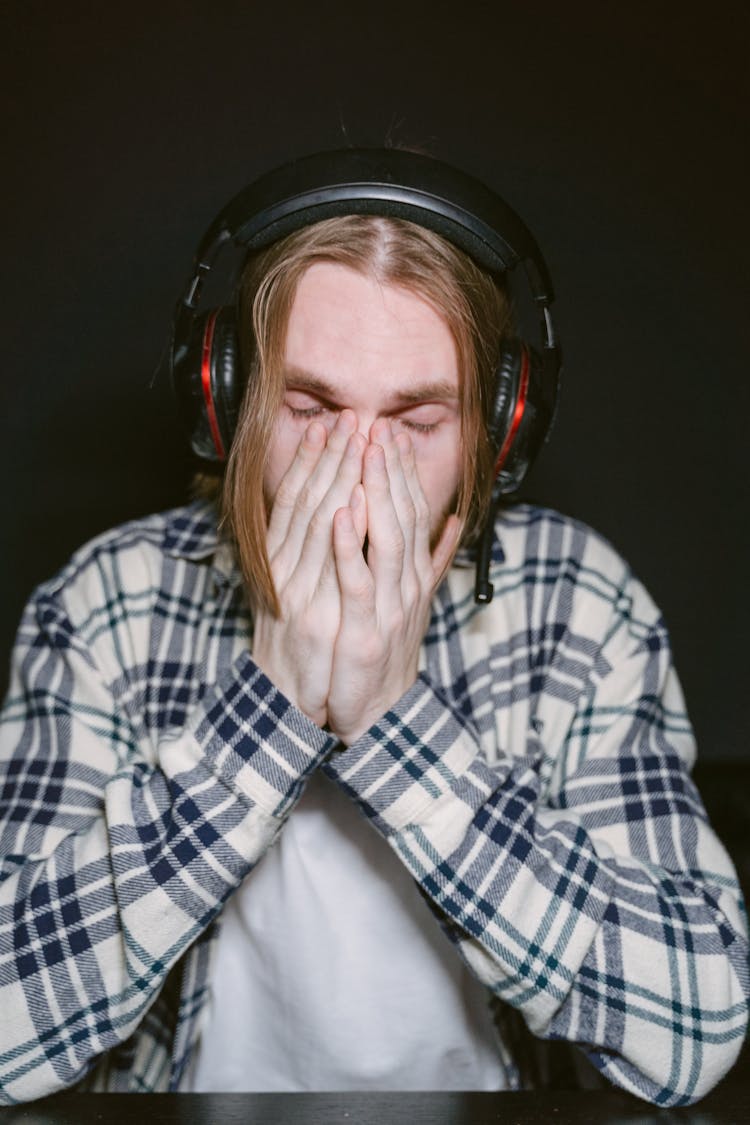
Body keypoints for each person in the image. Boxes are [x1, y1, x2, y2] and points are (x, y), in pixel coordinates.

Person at [0, 149, 747, 1107]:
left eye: (416, 421)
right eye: (310, 406)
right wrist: (265, 714)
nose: (358, 475)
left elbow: (697, 1027)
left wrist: (397, 722)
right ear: (229, 404)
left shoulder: (579, 604)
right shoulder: (108, 599)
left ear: (496, 434)